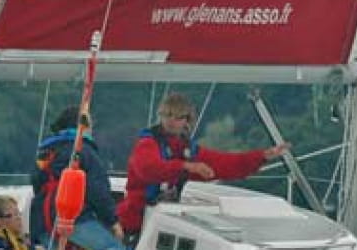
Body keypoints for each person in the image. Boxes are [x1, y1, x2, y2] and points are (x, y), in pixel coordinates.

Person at [117, 92, 288, 236]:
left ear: (187, 121)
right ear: (160, 115)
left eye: (178, 117)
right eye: (168, 115)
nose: (172, 121)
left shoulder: (187, 150)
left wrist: (262, 156)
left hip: (162, 220)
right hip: (135, 220)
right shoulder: (147, 143)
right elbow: (147, 169)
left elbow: (225, 164)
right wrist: (186, 167)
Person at [29, 106, 126, 250]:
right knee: (116, 249)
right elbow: (97, 190)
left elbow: (38, 184)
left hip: (43, 223)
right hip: (71, 217)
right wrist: (112, 221)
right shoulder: (84, 151)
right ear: (84, 126)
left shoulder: (47, 153)